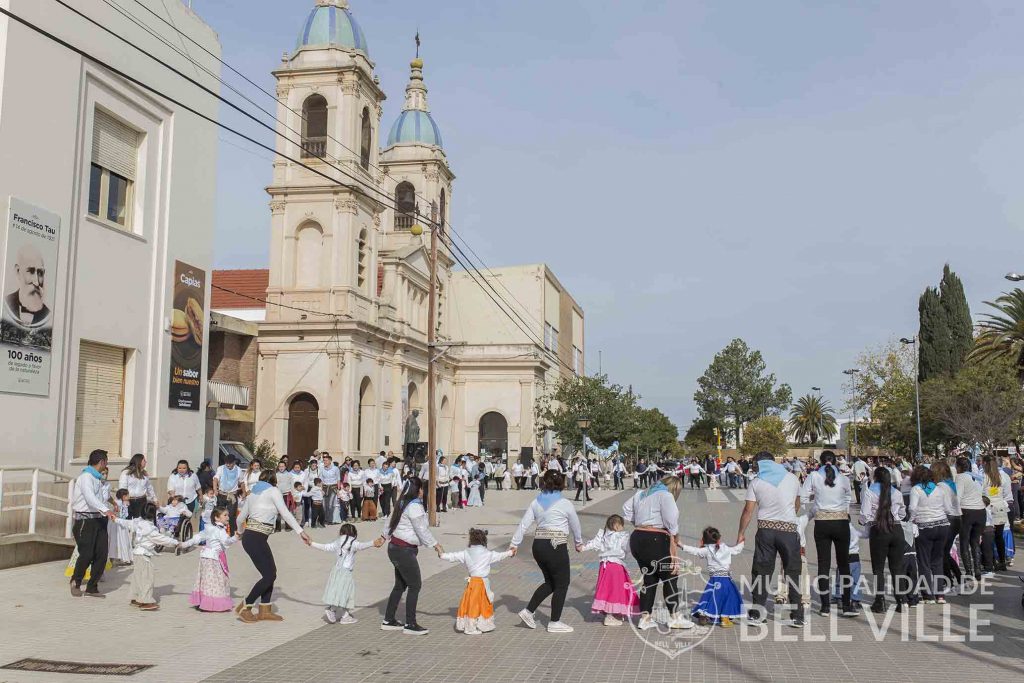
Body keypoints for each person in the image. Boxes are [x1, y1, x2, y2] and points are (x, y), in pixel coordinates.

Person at [736, 452, 804, 627]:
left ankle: (757, 613)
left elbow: (748, 511)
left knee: (761, 571)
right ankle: (798, 615)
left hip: (766, 531)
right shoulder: (792, 479)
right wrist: (786, 517)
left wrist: (741, 532)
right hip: (788, 531)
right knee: (793, 571)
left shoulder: (756, 482)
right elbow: (797, 504)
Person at [511, 470, 583, 633]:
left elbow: (524, 524)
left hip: (538, 546)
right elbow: (575, 525)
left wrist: (514, 543)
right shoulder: (565, 503)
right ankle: (554, 622)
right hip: (555, 545)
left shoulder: (537, 502)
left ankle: (528, 611)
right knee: (562, 584)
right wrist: (578, 542)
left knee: (551, 582)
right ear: (561, 483)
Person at [235, 469, 311, 623]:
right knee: (270, 575)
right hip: (256, 538)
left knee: (270, 573)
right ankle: (246, 606)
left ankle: (265, 610)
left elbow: (240, 518)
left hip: (251, 538)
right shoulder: (273, 491)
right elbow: (285, 513)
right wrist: (300, 531)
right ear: (274, 480)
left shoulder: (252, 494)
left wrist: (240, 532)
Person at [623, 475, 691, 630]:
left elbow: (626, 509)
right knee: (670, 576)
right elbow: (671, 520)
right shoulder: (665, 495)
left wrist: (640, 522)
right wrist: (675, 537)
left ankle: (645, 618)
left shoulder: (641, 493)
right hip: (655, 539)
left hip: (637, 538)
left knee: (650, 578)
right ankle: (674, 617)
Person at [378, 477, 443, 635]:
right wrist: (435, 544)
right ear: (417, 490)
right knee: (415, 585)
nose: (422, 491)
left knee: (400, 585)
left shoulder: (401, 502)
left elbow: (390, 522)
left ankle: (389, 620)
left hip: (395, 548)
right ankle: (410, 624)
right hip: (403, 550)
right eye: (421, 488)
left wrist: (383, 536)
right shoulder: (414, 506)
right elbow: (421, 529)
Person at [799, 450, 855, 616]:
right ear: (836, 462)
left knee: (823, 564)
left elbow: (803, 497)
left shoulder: (814, 476)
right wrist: (843, 510)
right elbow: (848, 499)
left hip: (822, 523)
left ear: (820, 462)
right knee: (844, 564)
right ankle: (846, 605)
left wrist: (815, 505)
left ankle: (824, 607)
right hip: (841, 523)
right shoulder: (844, 478)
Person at [438, 528, 514, 635]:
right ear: (484, 540)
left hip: (472, 583)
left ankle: (473, 625)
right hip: (481, 583)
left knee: (472, 604)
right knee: (481, 604)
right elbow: (500, 556)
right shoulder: (487, 554)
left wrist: (441, 553)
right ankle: (471, 628)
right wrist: (511, 552)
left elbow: (452, 556)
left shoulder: (466, 552)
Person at [112, 503, 180, 610]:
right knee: (147, 579)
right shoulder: (150, 530)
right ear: (153, 514)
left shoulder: (138, 523)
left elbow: (126, 523)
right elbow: (163, 539)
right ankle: (145, 601)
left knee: (137, 578)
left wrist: (115, 519)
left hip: (137, 555)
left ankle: (135, 598)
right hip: (144, 556)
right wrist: (176, 543)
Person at [311, 522, 381, 624]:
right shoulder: (352, 542)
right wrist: (373, 543)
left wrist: (311, 543)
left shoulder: (338, 541)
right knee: (345, 593)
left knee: (340, 592)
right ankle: (342, 615)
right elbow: (361, 545)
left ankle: (334, 610)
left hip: (336, 570)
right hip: (346, 572)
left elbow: (326, 547)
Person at [859, 467, 907, 613]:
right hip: (897, 530)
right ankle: (902, 601)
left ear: (876, 477)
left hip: (879, 530)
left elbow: (864, 515)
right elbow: (903, 513)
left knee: (878, 568)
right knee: (897, 568)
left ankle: (880, 602)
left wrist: (863, 522)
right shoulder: (897, 492)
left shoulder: (869, 491)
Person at [69, 450, 116, 596]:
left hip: (99, 520)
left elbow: (102, 498)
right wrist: (105, 510)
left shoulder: (99, 479)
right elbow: (90, 498)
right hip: (85, 521)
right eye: (106, 462)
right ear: (101, 462)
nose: (106, 465)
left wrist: (108, 509)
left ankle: (92, 587)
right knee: (86, 554)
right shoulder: (86, 477)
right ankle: (76, 581)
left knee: (102, 554)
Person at [679, 526, 744, 627]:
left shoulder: (706, 550)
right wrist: (741, 541)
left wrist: (681, 545)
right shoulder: (726, 548)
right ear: (718, 538)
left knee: (710, 597)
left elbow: (694, 551)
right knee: (728, 598)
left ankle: (704, 614)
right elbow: (737, 550)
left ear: (704, 540)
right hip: (727, 580)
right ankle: (725, 619)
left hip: (714, 580)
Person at [580, 514, 638, 626]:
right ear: (616, 526)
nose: (623, 528)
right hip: (616, 567)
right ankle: (610, 616)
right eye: (622, 525)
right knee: (616, 591)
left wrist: (582, 547)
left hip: (605, 566)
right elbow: (629, 548)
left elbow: (593, 543)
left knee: (608, 589)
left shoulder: (603, 535)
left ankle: (613, 613)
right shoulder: (622, 536)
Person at [179, 507, 239, 612]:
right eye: (225, 515)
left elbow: (197, 538)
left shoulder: (209, 528)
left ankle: (202, 602)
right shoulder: (220, 530)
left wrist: (184, 544)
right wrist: (235, 537)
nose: (228, 517)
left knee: (205, 580)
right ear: (216, 517)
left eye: (228, 515)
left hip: (205, 558)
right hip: (214, 559)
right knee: (217, 580)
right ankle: (212, 604)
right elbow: (226, 541)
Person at [907, 465, 953, 603]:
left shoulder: (916, 489)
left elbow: (912, 508)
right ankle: (940, 594)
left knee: (924, 561)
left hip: (924, 527)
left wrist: (911, 520)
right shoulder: (940, 489)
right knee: (938, 560)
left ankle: (928, 594)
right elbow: (949, 509)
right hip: (942, 526)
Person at [955, 456, 985, 580]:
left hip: (967, 511)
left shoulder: (961, 477)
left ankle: (968, 571)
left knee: (964, 542)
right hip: (980, 511)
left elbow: (958, 497)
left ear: (959, 467)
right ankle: (977, 569)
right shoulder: (977, 477)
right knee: (975, 541)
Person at [4, 244, 50, 326]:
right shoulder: (5, 303)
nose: (36, 282)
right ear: (18, 271)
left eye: (40, 273)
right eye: (31, 271)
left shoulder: (48, 315)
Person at [981, 454, 1012, 571]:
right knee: (999, 536)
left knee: (988, 537)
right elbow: (1006, 494)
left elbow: (981, 492)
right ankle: (1002, 562)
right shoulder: (1002, 476)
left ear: (985, 464)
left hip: (988, 508)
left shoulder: (984, 477)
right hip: (1000, 507)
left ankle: (991, 561)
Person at [831, 522, 864, 610]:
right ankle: (855, 600)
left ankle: (839, 598)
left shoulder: (838, 531)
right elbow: (867, 534)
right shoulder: (856, 531)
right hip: (855, 558)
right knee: (855, 581)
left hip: (843, 557)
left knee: (840, 579)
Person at [119, 453, 156, 519]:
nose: (146, 462)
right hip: (130, 501)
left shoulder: (144, 474)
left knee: (141, 522)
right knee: (129, 522)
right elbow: (122, 487)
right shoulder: (126, 473)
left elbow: (149, 488)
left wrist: (154, 499)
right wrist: (124, 499)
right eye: (144, 460)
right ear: (139, 461)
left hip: (142, 501)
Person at [214, 455, 243, 535]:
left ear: (234, 462)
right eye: (226, 463)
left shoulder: (238, 470)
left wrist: (244, 492)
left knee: (232, 515)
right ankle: (218, 532)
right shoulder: (221, 468)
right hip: (222, 494)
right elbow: (215, 479)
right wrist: (215, 489)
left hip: (232, 495)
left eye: (230, 463)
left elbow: (241, 482)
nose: (228, 465)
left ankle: (233, 533)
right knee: (219, 513)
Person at [108, 488, 134, 565]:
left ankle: (125, 558)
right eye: (127, 495)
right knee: (115, 541)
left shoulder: (125, 503)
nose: (129, 496)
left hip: (122, 525)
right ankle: (112, 559)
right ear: (123, 496)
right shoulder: (117, 502)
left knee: (124, 540)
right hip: (115, 525)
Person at [320, 455, 341, 525]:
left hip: (333, 487)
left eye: (326, 460)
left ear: (330, 461)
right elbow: (321, 480)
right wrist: (321, 489)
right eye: (324, 461)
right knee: (324, 505)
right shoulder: (322, 469)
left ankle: (330, 519)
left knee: (330, 504)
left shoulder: (335, 469)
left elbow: (338, 479)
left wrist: (338, 489)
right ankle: (325, 519)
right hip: (325, 488)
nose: (324, 462)